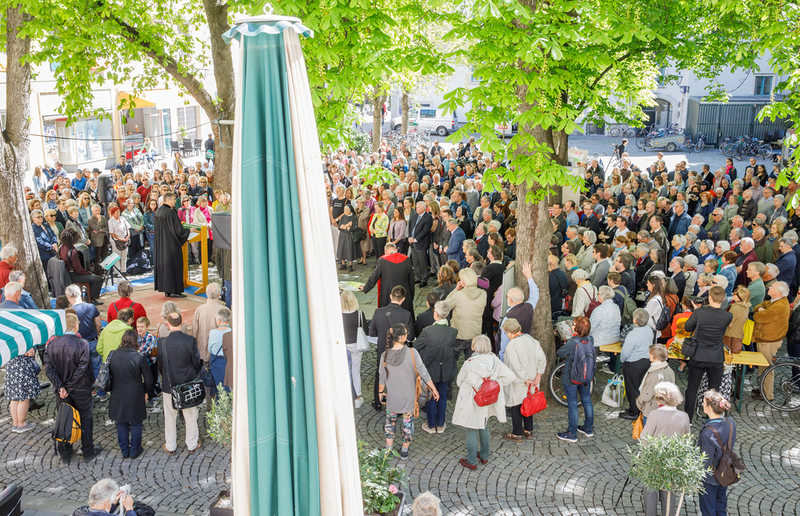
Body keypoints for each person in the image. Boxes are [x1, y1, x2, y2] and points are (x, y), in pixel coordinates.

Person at [44, 313, 102, 463]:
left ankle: (65, 451)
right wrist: (67, 386)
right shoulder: (82, 343)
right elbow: (82, 367)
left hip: (62, 390)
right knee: (85, 419)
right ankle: (88, 450)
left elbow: (49, 369)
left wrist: (61, 386)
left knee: (64, 418)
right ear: (76, 325)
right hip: (80, 388)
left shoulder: (52, 344)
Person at [452, 335, 515, 470]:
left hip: (472, 398)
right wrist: (494, 384)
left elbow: (459, 381)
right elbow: (510, 376)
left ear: (474, 347)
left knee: (471, 428)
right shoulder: (495, 361)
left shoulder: (469, 362)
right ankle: (484, 455)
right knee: (484, 424)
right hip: (487, 398)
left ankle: (471, 460)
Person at [377, 324, 439, 460]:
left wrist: (380, 392)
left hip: (393, 397)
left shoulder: (385, 355)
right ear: (404, 337)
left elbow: (382, 377)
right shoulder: (412, 353)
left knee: (390, 422)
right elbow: (423, 372)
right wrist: (434, 389)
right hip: (409, 397)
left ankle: (388, 450)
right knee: (408, 423)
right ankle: (404, 450)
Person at [640, 382, 691, 516]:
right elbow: (687, 440)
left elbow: (644, 437)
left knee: (650, 492)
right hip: (673, 462)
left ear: (659, 399)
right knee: (669, 495)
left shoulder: (655, 415)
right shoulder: (684, 416)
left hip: (654, 461)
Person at [683, 286, 732, 421]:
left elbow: (687, 327)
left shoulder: (700, 312)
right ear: (723, 300)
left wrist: (696, 310)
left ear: (709, 297)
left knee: (692, 387)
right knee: (714, 390)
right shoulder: (728, 316)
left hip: (698, 354)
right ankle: (711, 417)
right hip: (716, 356)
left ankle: (688, 417)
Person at [158, 312, 202, 455]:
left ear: (167, 324)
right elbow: (196, 362)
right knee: (190, 415)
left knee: (170, 417)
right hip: (187, 383)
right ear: (182, 323)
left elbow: (161, 364)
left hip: (169, 384)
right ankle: (192, 444)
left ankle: (170, 446)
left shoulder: (162, 342)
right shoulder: (190, 340)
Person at [414, 301, 458, 434]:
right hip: (446, 369)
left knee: (431, 396)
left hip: (430, 369)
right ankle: (440, 423)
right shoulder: (453, 332)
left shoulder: (428, 331)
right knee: (443, 395)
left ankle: (431, 425)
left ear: (436, 314)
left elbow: (416, 347)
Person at [107, 329, 153, 459]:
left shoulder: (113, 355)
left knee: (121, 423)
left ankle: (124, 451)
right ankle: (135, 450)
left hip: (117, 392)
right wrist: (144, 390)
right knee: (136, 423)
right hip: (135, 393)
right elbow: (149, 379)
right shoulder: (139, 357)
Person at [368, 286, 415, 411]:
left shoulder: (378, 312)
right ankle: (399, 406)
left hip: (383, 350)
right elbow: (410, 337)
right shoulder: (406, 314)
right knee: (399, 377)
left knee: (380, 375)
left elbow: (371, 333)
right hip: (399, 352)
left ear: (390, 296)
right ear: (403, 299)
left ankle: (378, 402)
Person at [501, 318, 546, 442]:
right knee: (529, 402)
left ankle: (517, 433)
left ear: (510, 333)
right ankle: (528, 429)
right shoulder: (533, 341)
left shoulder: (512, 345)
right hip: (533, 379)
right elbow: (542, 359)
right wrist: (539, 375)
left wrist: (525, 379)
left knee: (516, 405)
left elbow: (515, 365)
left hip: (520, 381)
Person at [697, 390, 736, 516]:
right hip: (725, 472)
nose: (702, 405)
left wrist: (697, 479)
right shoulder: (731, 423)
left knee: (708, 510)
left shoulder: (707, 433)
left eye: (703, 403)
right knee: (721, 507)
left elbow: (705, 461)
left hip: (710, 478)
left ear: (708, 408)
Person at [556, 316, 595, 443]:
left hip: (571, 377)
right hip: (586, 377)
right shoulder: (590, 340)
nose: (571, 325)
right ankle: (588, 429)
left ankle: (572, 433)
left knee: (572, 404)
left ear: (576, 328)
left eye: (573, 324)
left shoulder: (573, 342)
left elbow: (560, 353)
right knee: (587, 401)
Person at [751, 281, 791, 401]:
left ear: (779, 292)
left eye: (772, 287)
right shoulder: (775, 301)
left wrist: (761, 311)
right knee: (763, 365)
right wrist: (761, 309)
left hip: (769, 340)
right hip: (766, 338)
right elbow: (757, 307)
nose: (769, 288)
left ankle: (767, 394)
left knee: (767, 367)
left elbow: (758, 316)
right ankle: (763, 387)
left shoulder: (779, 305)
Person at [619, 309, 656, 420]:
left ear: (635, 320)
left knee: (632, 389)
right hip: (646, 362)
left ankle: (634, 412)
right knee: (641, 387)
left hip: (633, 364)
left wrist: (622, 360)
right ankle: (639, 407)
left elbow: (625, 352)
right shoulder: (649, 330)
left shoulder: (633, 334)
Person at [497, 263, 539, 359]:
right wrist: (529, 277)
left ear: (510, 300)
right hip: (525, 348)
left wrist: (502, 357)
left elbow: (504, 342)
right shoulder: (528, 307)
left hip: (511, 353)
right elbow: (535, 293)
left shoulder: (508, 318)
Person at [154, 192, 191, 298]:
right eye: (174, 199)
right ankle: (175, 290)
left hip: (162, 245)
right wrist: (188, 231)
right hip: (171, 245)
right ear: (169, 200)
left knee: (166, 268)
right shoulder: (170, 213)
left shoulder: (159, 211)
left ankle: (168, 290)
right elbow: (179, 231)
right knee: (174, 266)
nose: (175, 201)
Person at [361, 241, 415, 315]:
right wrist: (411, 295)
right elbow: (411, 280)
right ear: (396, 250)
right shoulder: (407, 260)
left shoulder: (382, 260)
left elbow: (374, 277)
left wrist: (365, 288)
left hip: (388, 294)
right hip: (404, 293)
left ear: (386, 251)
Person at [445, 268, 487, 360]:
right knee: (472, 360)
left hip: (459, 333)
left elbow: (445, 306)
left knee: (452, 360)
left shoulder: (458, 295)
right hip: (475, 332)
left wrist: (455, 290)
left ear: (463, 281)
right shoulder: (483, 294)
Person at [59, 228, 104, 304]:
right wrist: (89, 273)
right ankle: (92, 299)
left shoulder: (61, 248)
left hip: (66, 275)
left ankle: (89, 297)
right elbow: (79, 270)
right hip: (74, 275)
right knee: (99, 279)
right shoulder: (73, 252)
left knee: (91, 278)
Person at [636, 345, 677, 426]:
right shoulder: (669, 369)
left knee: (649, 435)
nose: (648, 354)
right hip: (664, 407)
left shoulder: (655, 374)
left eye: (650, 353)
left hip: (652, 409)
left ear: (656, 357)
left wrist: (639, 403)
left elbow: (647, 394)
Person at [341, 290, 368, 409]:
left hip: (343, 345)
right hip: (356, 345)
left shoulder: (338, 314)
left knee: (346, 370)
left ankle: (346, 395)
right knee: (355, 371)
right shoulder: (359, 314)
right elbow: (366, 331)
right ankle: (357, 398)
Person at [4, 347, 40, 433]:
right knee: (24, 398)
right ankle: (21, 424)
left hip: (10, 368)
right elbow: (30, 353)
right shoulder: (22, 337)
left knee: (14, 398)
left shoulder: (10, 338)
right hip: (22, 369)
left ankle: (15, 424)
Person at [191, 283, 225, 363]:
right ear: (219, 294)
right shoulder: (225, 310)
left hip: (203, 350)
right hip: (220, 352)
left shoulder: (199, 309)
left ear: (206, 294)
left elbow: (194, 331)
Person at [207, 307, 232, 394]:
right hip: (229, 362)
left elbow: (210, 349)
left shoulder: (212, 333)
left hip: (216, 363)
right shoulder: (232, 332)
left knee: (219, 389)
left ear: (218, 320)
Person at [409, 201, 434, 286]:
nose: (416, 208)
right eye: (416, 207)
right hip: (412, 243)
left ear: (423, 208)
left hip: (421, 243)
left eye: (418, 207)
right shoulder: (415, 216)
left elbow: (425, 231)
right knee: (415, 261)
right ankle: (417, 277)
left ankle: (424, 279)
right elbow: (411, 227)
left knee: (422, 262)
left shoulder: (428, 218)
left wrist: (415, 239)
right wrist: (410, 237)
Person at [136, 317, 159, 401]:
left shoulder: (149, 337)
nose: (139, 329)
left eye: (142, 327)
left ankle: (152, 397)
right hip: (141, 363)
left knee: (151, 380)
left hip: (150, 363)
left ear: (147, 327)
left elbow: (143, 350)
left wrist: (135, 351)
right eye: (138, 326)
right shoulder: (136, 336)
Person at [724, 286, 750, 354]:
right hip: (738, 335)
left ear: (740, 297)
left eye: (735, 294)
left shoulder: (735, 308)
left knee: (728, 355)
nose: (732, 294)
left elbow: (728, 322)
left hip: (730, 336)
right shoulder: (746, 307)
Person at [88, 204, 109, 274]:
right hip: (96, 240)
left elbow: (107, 228)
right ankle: (98, 271)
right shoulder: (90, 220)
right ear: (92, 211)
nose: (98, 212)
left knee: (105, 255)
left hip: (104, 238)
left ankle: (105, 270)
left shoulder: (103, 217)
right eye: (96, 210)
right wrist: (99, 221)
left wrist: (101, 230)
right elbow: (96, 228)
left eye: (99, 210)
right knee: (97, 256)